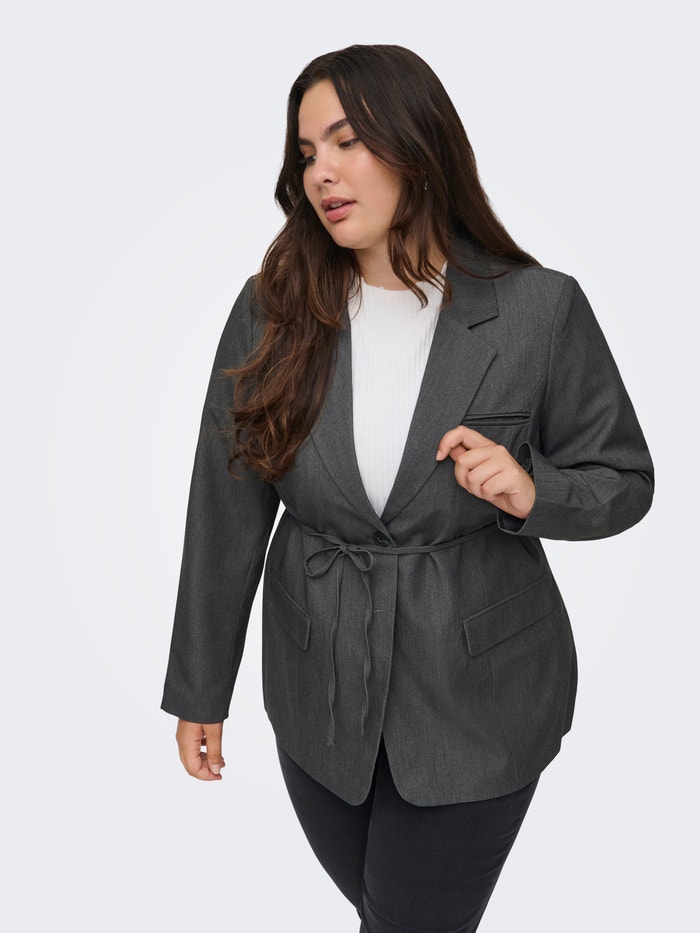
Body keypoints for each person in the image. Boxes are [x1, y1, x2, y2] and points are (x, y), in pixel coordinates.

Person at [162, 44, 654, 933]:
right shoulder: (271, 309)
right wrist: (202, 686)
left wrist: (532, 490)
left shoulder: (540, 308)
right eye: (306, 152)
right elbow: (224, 506)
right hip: (316, 689)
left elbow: (623, 478)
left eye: (346, 141)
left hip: (481, 695)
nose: (321, 172)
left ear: (417, 146)